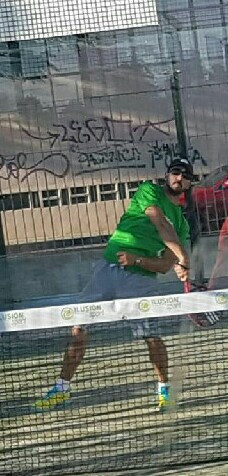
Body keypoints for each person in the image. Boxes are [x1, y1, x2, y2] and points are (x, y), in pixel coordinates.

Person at [34, 158, 194, 412]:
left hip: (140, 280)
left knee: (151, 336)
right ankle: (61, 388)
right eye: (175, 172)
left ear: (189, 183)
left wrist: (137, 260)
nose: (179, 178)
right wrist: (183, 257)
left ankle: (164, 390)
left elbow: (165, 265)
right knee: (78, 328)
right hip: (106, 270)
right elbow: (159, 222)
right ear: (167, 175)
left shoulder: (182, 224)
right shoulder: (149, 190)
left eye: (185, 176)